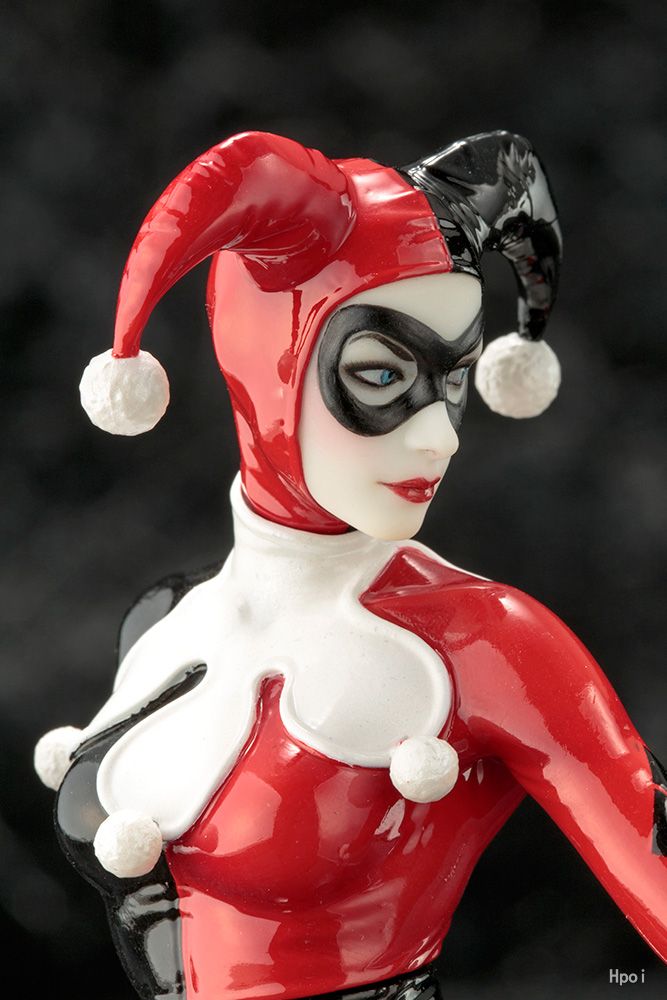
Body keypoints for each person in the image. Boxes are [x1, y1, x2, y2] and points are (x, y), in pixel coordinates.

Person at [35, 131, 667, 1000]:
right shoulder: (165, 620)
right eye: (379, 374)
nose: (440, 437)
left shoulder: (487, 642)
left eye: (455, 380)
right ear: (266, 367)